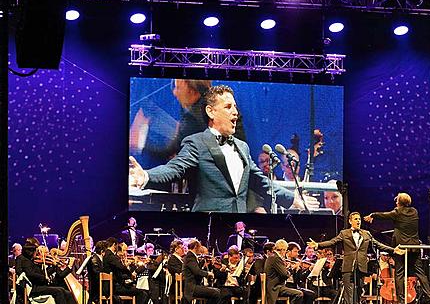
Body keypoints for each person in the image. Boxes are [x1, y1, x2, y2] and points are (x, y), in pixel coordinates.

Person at [128, 85, 317, 213]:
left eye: (235, 106)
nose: (235, 111)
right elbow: (175, 168)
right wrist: (146, 176)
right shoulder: (197, 142)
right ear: (211, 111)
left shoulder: (242, 147)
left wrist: (292, 199)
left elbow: (261, 182)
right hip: (207, 226)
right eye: (228, 107)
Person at [309, 212, 398, 304]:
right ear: (350, 221)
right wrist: (318, 245)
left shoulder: (366, 234)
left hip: (361, 266)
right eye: (355, 219)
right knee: (349, 291)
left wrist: (393, 250)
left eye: (359, 219)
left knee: (359, 290)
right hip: (348, 266)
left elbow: (378, 245)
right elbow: (332, 242)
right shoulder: (344, 233)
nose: (358, 221)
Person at [365, 193, 430, 304]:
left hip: (401, 248)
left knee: (399, 273)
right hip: (414, 247)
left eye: (397, 200)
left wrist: (372, 215)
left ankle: (401, 301)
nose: (395, 202)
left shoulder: (397, 212)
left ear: (399, 202)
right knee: (420, 272)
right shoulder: (414, 211)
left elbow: (384, 215)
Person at [264, 239, 312, 304]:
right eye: (285, 250)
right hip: (275, 288)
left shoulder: (273, 257)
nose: (285, 252)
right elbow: (285, 275)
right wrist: (292, 269)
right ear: (282, 249)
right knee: (299, 294)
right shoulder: (275, 258)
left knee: (303, 293)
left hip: (276, 286)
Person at [102, 239, 150, 304]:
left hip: (114, 285)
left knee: (141, 292)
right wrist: (130, 274)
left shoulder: (107, 255)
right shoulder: (110, 256)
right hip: (114, 287)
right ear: (114, 245)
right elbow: (121, 267)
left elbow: (118, 271)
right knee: (142, 293)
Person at [182, 239, 225, 304]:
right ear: (195, 247)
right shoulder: (190, 256)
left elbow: (196, 269)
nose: (200, 249)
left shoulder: (191, 256)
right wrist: (208, 273)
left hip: (194, 286)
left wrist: (205, 264)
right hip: (192, 288)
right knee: (216, 292)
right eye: (199, 247)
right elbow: (196, 271)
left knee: (216, 291)